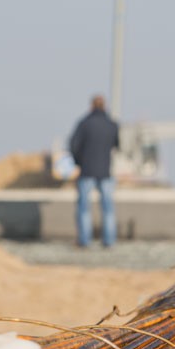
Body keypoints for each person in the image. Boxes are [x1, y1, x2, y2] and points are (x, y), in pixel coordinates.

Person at [69, 95, 120, 247]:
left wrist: (79, 162)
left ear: (91, 106)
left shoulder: (84, 124)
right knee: (108, 209)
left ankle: (85, 241)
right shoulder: (112, 125)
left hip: (87, 171)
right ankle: (109, 241)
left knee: (84, 208)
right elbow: (117, 145)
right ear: (105, 106)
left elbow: (73, 145)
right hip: (105, 171)